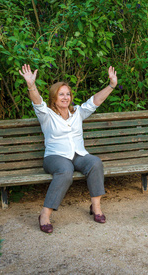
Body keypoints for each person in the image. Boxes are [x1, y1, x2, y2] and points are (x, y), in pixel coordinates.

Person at [19, 64, 118, 233]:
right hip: (55, 157)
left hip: (78, 155)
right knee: (66, 170)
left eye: (68, 94)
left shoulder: (78, 112)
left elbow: (96, 100)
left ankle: (96, 208)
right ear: (54, 98)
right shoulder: (46, 114)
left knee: (95, 162)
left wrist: (111, 85)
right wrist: (31, 85)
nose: (65, 97)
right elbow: (36, 100)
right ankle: (45, 214)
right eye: (61, 94)